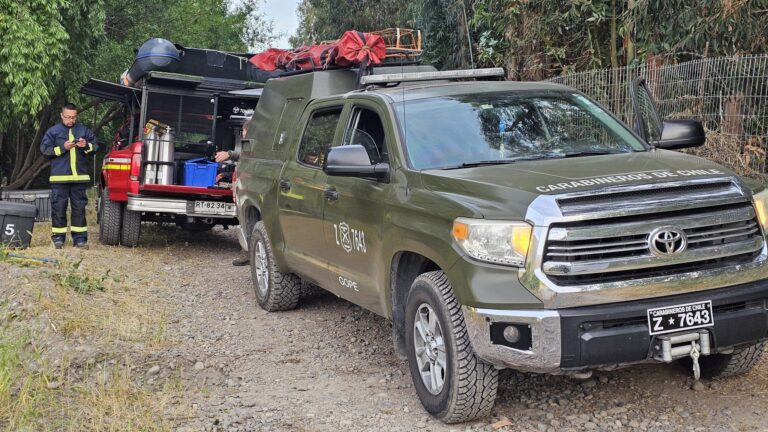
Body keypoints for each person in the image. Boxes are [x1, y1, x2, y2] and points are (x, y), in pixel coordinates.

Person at [40, 103, 99, 249]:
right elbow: (44, 151)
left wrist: (86, 146)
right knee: (58, 208)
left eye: (73, 117)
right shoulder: (53, 131)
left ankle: (80, 239)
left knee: (79, 209)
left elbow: (96, 146)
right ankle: (58, 239)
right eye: (68, 117)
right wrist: (63, 148)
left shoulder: (83, 130)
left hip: (79, 179)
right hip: (59, 179)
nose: (71, 120)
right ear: (61, 115)